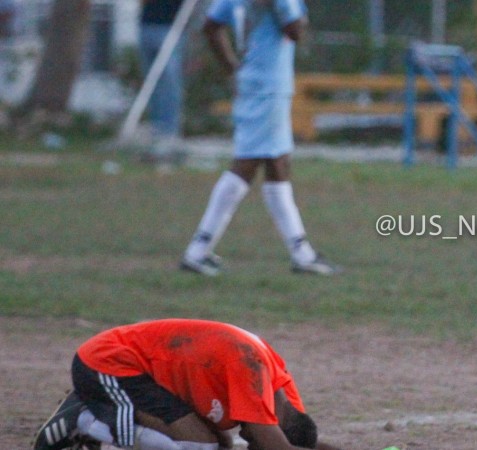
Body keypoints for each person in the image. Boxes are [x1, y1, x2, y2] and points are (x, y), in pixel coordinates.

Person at [180, 0, 339, 277]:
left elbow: (210, 26)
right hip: (269, 87)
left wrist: (231, 67)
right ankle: (198, 249)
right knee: (247, 164)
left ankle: (301, 252)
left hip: (252, 82)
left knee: (278, 166)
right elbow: (295, 31)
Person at [32, 319, 342, 450]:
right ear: (277, 427)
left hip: (144, 371)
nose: (249, 441)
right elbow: (278, 447)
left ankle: (97, 414)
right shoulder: (252, 371)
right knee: (199, 446)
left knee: (218, 444)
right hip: (109, 363)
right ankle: (84, 418)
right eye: (256, 445)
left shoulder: (285, 400)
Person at [139, 0, 187, 157]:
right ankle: (156, 127)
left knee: (169, 80)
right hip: (147, 24)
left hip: (171, 26)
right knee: (151, 82)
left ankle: (169, 131)